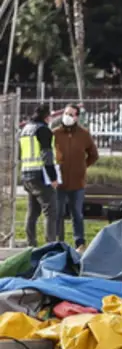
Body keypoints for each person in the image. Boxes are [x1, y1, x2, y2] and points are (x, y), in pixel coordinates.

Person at [53, 104, 98, 252]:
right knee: (57, 213)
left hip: (77, 183)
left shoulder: (84, 134)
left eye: (71, 114)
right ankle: (57, 242)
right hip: (59, 182)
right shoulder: (55, 133)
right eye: (66, 113)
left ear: (77, 117)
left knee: (77, 214)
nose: (67, 117)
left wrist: (83, 166)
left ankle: (80, 243)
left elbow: (93, 155)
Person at [18, 105, 59, 248]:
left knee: (32, 212)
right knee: (50, 212)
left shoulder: (25, 130)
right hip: (41, 176)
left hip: (27, 174)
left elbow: (20, 154)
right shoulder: (43, 130)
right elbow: (47, 155)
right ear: (46, 117)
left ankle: (31, 245)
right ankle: (50, 246)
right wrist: (53, 177)